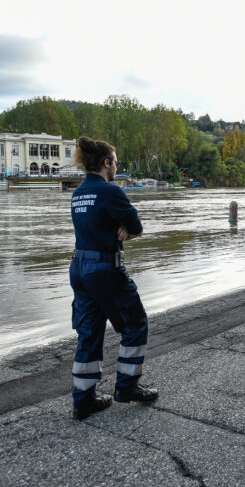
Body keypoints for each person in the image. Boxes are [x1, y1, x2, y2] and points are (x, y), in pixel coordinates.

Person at [69, 136, 158, 421]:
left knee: (89, 333)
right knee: (135, 324)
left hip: (79, 268)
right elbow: (137, 226)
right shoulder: (110, 192)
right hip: (104, 268)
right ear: (106, 163)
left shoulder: (78, 193)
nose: (117, 166)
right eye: (115, 161)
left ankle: (83, 401)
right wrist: (126, 230)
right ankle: (127, 387)